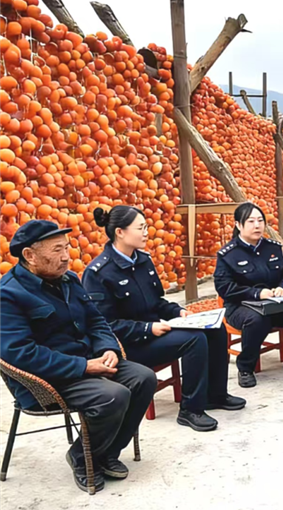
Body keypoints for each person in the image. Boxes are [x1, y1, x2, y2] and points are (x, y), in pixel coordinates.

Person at [0, 221, 158, 492]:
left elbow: (96, 321)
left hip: (89, 361)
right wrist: (84, 366)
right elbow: (20, 353)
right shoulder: (8, 294)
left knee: (143, 378)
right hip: (46, 378)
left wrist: (108, 348)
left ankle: (106, 452)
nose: (66, 257)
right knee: (113, 395)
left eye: (67, 248)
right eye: (57, 250)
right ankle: (82, 458)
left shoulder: (69, 280)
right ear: (29, 255)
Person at [82, 206, 245, 433]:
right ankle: (190, 409)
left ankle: (215, 395)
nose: (146, 232)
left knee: (215, 329)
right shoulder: (98, 273)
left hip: (155, 333)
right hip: (129, 345)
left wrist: (178, 312)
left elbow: (156, 302)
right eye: (140, 228)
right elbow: (105, 326)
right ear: (120, 232)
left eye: (146, 227)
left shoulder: (142, 261)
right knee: (194, 340)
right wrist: (147, 328)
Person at [214, 202, 283, 388]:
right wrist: (256, 293)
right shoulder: (228, 254)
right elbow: (224, 287)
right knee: (257, 320)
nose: (257, 225)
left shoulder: (272, 247)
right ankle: (246, 368)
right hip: (240, 307)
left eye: (260, 221)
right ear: (238, 225)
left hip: (274, 303)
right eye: (251, 221)